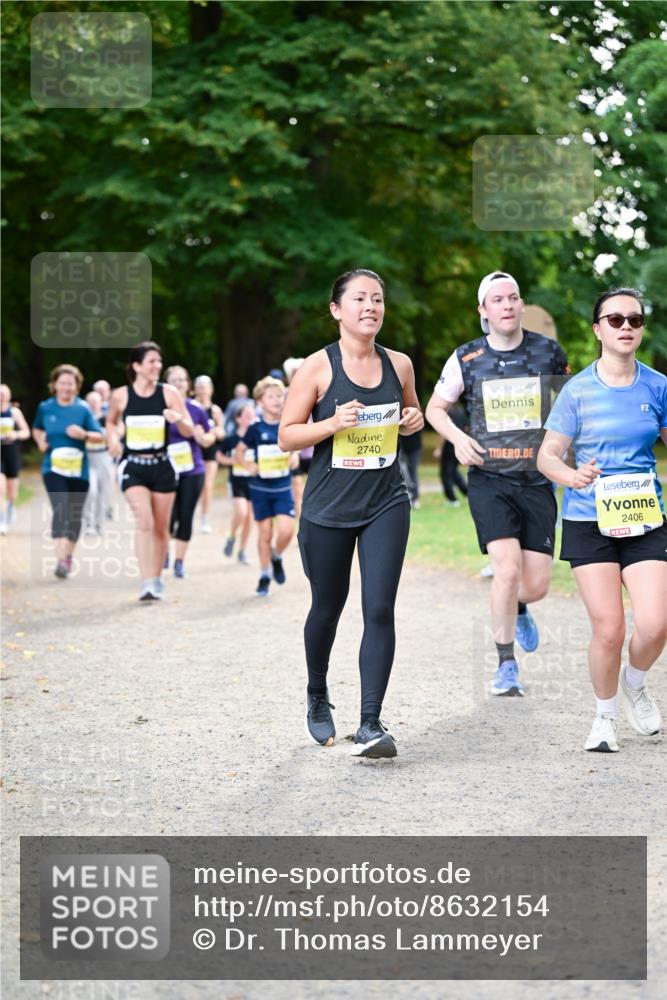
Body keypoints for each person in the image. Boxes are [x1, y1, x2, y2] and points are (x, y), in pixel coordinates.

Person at [279, 268, 423, 759]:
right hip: (328, 508)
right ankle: (317, 692)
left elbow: (410, 416)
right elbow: (287, 436)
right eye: (359, 299)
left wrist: (413, 420)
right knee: (328, 606)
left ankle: (370, 723)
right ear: (337, 310)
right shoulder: (317, 368)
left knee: (379, 607)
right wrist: (332, 423)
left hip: (386, 501)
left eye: (377, 299)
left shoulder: (400, 364)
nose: (370, 307)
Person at [425, 271, 570, 697]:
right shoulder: (466, 357)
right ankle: (506, 665)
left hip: (538, 479)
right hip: (489, 479)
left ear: (521, 305)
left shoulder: (548, 351)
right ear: (483, 310)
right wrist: (458, 439)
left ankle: (520, 606)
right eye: (497, 300)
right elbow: (435, 409)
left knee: (536, 585)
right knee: (506, 569)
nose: (507, 305)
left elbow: (570, 406)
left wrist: (568, 454)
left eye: (513, 298)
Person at [537, 287, 667, 752]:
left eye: (634, 319)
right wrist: (572, 475)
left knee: (657, 623)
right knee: (609, 629)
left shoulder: (658, 385)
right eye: (615, 320)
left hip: (645, 517)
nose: (626, 326)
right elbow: (547, 456)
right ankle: (605, 717)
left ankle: (634, 682)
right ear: (598, 330)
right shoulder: (577, 390)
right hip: (589, 519)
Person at [106, 341, 193, 601]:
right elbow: (110, 422)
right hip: (133, 466)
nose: (157, 366)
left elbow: (189, 430)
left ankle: (156, 579)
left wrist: (178, 419)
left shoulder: (169, 394)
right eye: (151, 361)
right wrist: (112, 439)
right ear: (136, 366)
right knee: (144, 520)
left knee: (160, 527)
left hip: (162, 466)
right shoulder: (121, 395)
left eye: (159, 361)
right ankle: (145, 582)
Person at [32, 365, 103, 577]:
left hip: (79, 472)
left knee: (74, 516)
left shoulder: (83, 409)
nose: (66, 387)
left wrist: (83, 435)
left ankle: (68, 555)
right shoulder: (45, 407)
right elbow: (37, 427)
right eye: (62, 383)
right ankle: (61, 561)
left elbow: (99, 436)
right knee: (60, 509)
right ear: (54, 385)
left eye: (70, 384)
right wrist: (40, 441)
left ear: (77, 386)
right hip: (53, 469)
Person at [235, 377, 297, 596]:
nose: (276, 400)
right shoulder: (255, 428)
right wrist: (248, 465)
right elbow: (239, 452)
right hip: (260, 488)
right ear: (260, 402)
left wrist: (294, 455)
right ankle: (264, 575)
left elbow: (296, 445)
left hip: (282, 487)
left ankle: (276, 556)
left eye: (279, 396)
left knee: (287, 531)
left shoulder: (288, 424)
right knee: (265, 533)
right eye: (270, 397)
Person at [164, 366, 216, 577]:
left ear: (188, 384)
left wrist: (203, 438)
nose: (178, 383)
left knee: (185, 516)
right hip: (165, 471)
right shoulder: (160, 407)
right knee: (167, 518)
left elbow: (210, 437)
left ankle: (179, 562)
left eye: (182, 380)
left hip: (192, 470)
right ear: (166, 384)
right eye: (173, 380)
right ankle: (164, 552)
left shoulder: (196, 409)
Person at [218, 401, 256, 565]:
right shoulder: (231, 439)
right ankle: (231, 536)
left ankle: (242, 551)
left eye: (253, 416)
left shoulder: (256, 438)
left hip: (254, 482)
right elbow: (219, 456)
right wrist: (232, 460)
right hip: (237, 482)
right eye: (247, 416)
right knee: (241, 513)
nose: (251, 419)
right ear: (238, 419)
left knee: (249, 518)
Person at [193, 375, 224, 533]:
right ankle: (188, 514)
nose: (203, 391)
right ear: (195, 390)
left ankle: (205, 518)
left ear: (211, 390)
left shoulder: (215, 410)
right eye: (200, 387)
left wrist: (215, 432)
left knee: (207, 485)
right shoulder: (191, 407)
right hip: (193, 450)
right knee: (193, 486)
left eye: (205, 388)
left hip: (210, 451)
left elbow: (222, 432)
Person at [81, 390, 115, 537]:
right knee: (91, 491)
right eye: (91, 402)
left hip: (103, 457)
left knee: (104, 492)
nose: (93, 405)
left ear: (101, 403)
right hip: (88, 457)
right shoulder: (83, 419)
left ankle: (99, 523)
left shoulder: (107, 419)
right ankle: (89, 523)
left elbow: (115, 436)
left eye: (96, 402)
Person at [283, 357, 312, 519]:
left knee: (313, 487)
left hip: (312, 448)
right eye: (293, 372)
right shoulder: (284, 394)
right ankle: (300, 523)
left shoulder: (313, 390)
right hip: (294, 448)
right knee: (296, 487)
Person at [0, 383, 30, 534]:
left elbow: (26, 432)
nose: (1, 396)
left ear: (9, 396)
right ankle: (2, 519)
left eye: (4, 394)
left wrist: (15, 434)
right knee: (0, 487)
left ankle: (11, 506)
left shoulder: (14, 412)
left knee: (12, 490)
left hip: (11, 450)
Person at [436, 403, 468, 507]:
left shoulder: (446, 412)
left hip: (448, 446)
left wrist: (439, 449)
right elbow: (465, 428)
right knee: (454, 471)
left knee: (445, 473)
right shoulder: (460, 410)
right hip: (459, 444)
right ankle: (467, 492)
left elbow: (443, 432)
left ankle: (452, 499)